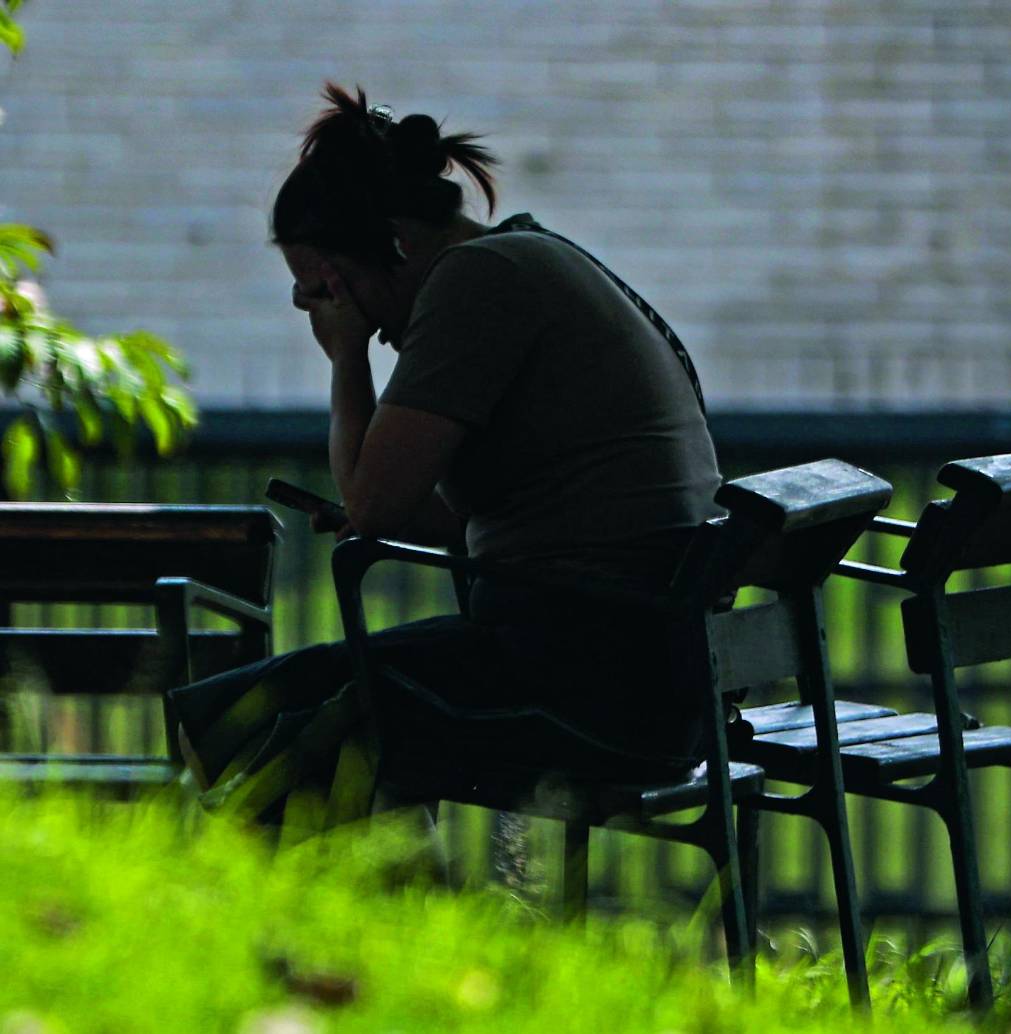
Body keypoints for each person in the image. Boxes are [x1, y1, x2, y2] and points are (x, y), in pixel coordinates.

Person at [169, 84, 724, 830]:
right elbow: (450, 516)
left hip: (592, 679)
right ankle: (397, 922)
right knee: (267, 706)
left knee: (273, 717)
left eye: (331, 286)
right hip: (638, 661)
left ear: (394, 243)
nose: (332, 308)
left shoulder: (478, 283)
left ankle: (356, 935)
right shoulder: (525, 258)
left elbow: (371, 510)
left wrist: (345, 360)